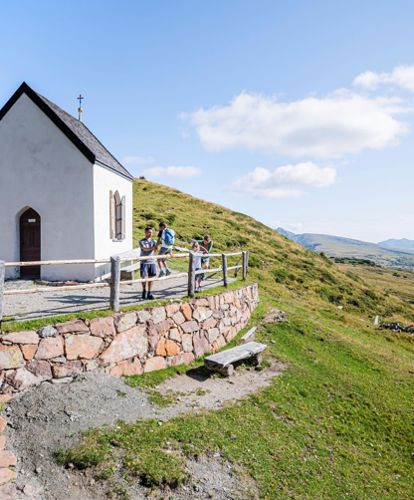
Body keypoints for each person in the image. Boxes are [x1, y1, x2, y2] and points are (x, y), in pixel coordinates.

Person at [139, 226, 158, 300]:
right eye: (149, 232)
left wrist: (156, 246)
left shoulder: (154, 241)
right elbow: (145, 249)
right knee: (144, 278)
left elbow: (155, 251)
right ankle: (144, 291)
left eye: (151, 232)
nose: (150, 233)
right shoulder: (142, 241)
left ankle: (149, 292)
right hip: (144, 262)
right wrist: (153, 247)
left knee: (151, 277)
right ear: (145, 232)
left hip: (152, 261)